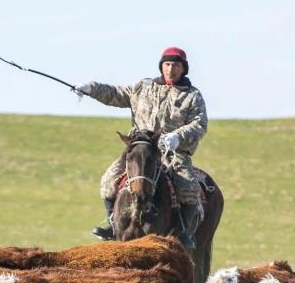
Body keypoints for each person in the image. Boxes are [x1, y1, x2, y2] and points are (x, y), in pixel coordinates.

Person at [75, 46, 207, 249]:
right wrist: (91, 89)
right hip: (140, 147)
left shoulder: (192, 96)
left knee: (189, 188)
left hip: (172, 151)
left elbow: (200, 124)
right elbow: (116, 94)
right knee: (109, 180)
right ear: (162, 66)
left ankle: (182, 232)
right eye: (167, 64)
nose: (171, 69)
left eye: (176, 65)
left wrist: (177, 137)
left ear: (184, 68)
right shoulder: (142, 87)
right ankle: (112, 224)